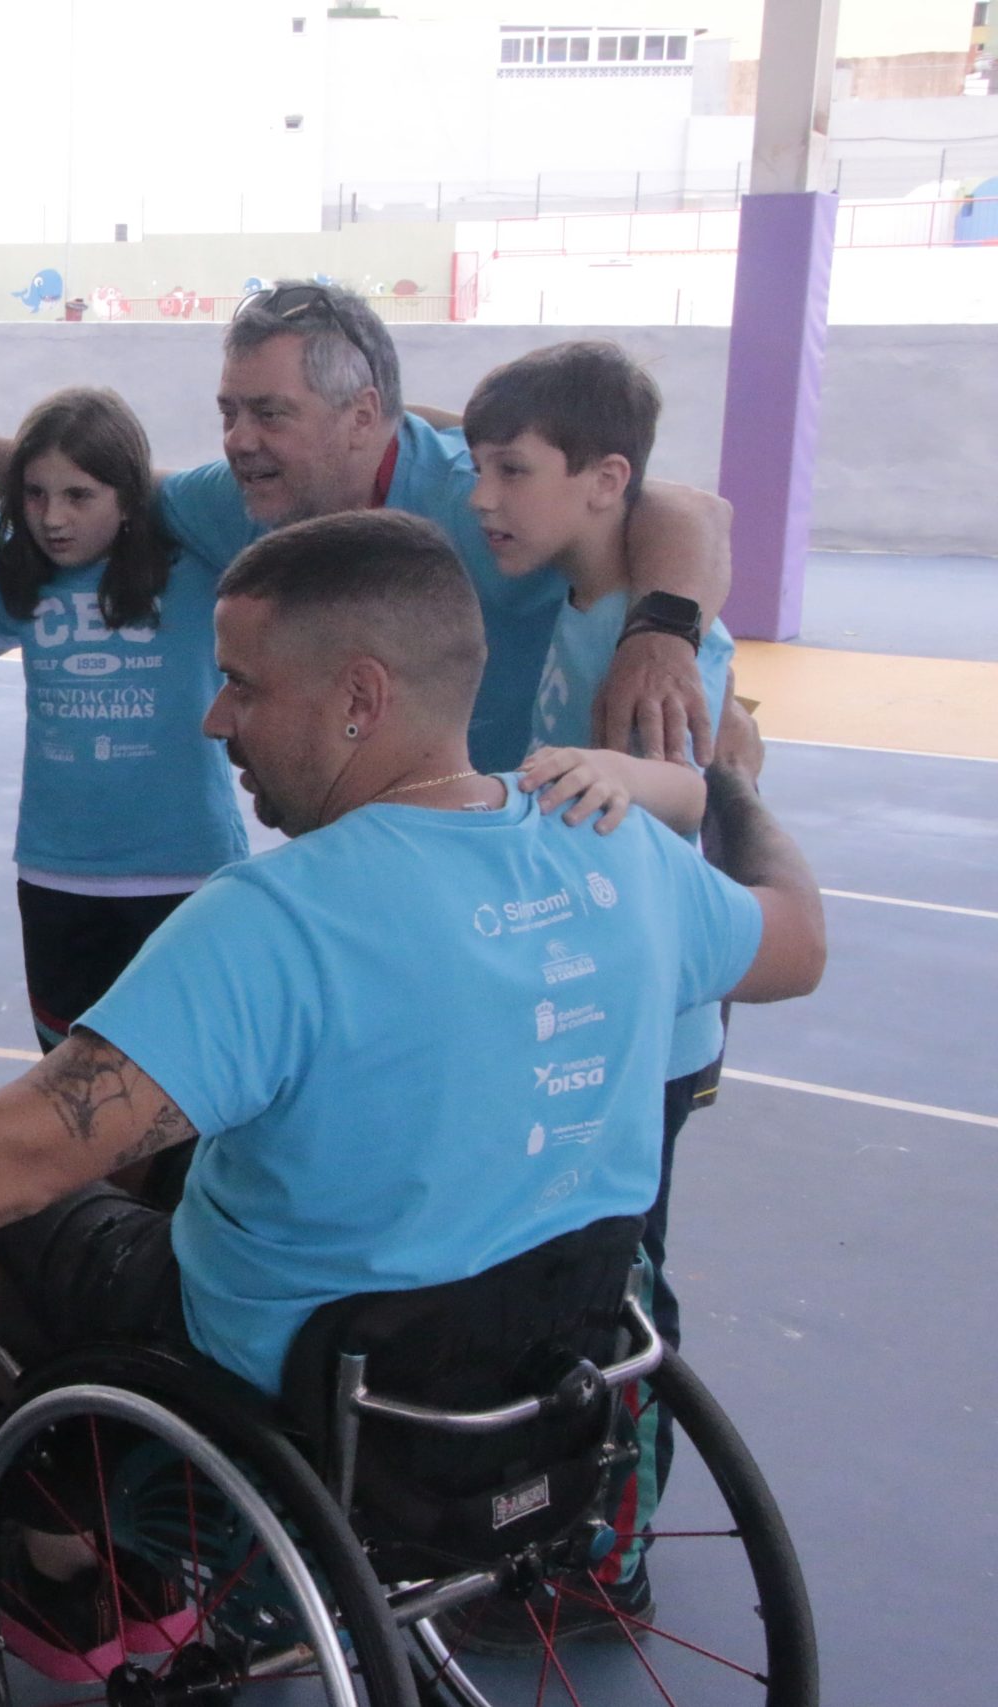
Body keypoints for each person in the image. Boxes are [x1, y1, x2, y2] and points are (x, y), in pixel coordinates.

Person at [0, 511, 826, 1637]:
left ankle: (67, 1539)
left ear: (360, 697)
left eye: (244, 682)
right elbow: (796, 944)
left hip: (301, 1393)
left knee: (13, 1189)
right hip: (538, 1377)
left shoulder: (279, 920)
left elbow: (6, 1156)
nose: (215, 717)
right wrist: (717, 788)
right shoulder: (616, 851)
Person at [0, 281, 735, 772]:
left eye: (270, 413)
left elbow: (687, 510)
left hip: (524, 861)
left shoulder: (481, 498)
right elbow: (106, 483)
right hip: (382, 849)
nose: (238, 439)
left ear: (361, 416)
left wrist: (664, 640)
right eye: (229, 412)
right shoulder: (243, 499)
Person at [464, 338, 742, 1613]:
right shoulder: (577, 609)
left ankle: (613, 1553)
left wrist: (625, 774)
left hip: (644, 1032)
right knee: (573, 1275)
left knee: (619, 1289)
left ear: (604, 479)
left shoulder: (658, 647)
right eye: (477, 468)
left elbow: (692, 791)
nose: (484, 498)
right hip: (583, 1010)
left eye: (512, 471)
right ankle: (561, 1516)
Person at [0, 389, 246, 1258]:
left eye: (80, 495)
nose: (52, 517)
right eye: (35, 494)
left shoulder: (194, 566)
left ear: (132, 496)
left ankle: (185, 1266)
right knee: (75, 1096)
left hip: (183, 874)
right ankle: (101, 1264)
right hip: (60, 877)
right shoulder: (26, 580)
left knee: (188, 1095)